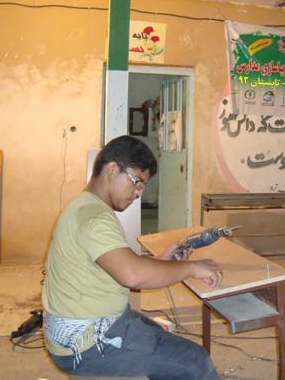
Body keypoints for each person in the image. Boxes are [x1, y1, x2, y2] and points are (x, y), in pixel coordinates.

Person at [42, 135, 221, 379]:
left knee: (159, 334)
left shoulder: (84, 205)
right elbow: (132, 275)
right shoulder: (94, 217)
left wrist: (160, 261)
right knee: (196, 361)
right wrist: (192, 268)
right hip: (87, 343)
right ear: (112, 169)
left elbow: (119, 266)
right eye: (137, 182)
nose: (139, 193)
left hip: (77, 327)